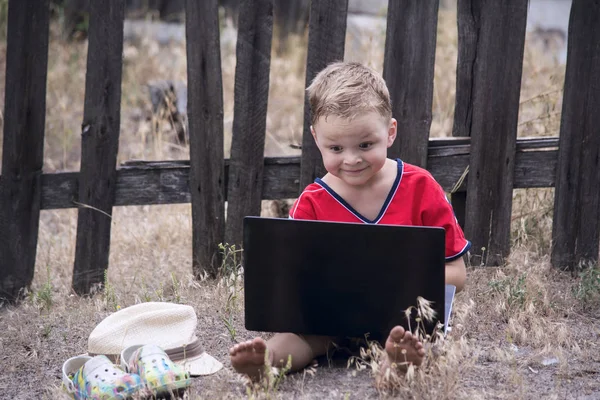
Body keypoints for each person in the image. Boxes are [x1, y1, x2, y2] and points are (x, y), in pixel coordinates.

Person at [229, 61, 471, 381]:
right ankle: (267, 362)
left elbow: (457, 272)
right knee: (300, 339)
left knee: (413, 338)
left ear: (390, 132)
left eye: (365, 145)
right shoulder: (312, 202)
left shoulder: (421, 188)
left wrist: (398, 281)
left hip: (400, 321)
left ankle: (396, 365)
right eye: (336, 147)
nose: (352, 159)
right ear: (316, 139)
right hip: (329, 323)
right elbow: (291, 280)